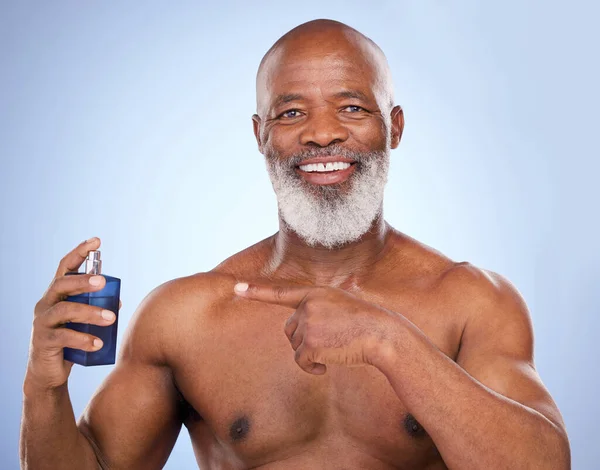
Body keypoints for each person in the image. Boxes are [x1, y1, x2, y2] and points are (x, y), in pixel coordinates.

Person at [20, 19, 570, 470]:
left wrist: (390, 342)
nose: (322, 133)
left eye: (352, 107)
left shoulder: (474, 303)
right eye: (291, 113)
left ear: (394, 127)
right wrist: (43, 390)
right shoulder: (183, 318)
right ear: (261, 134)